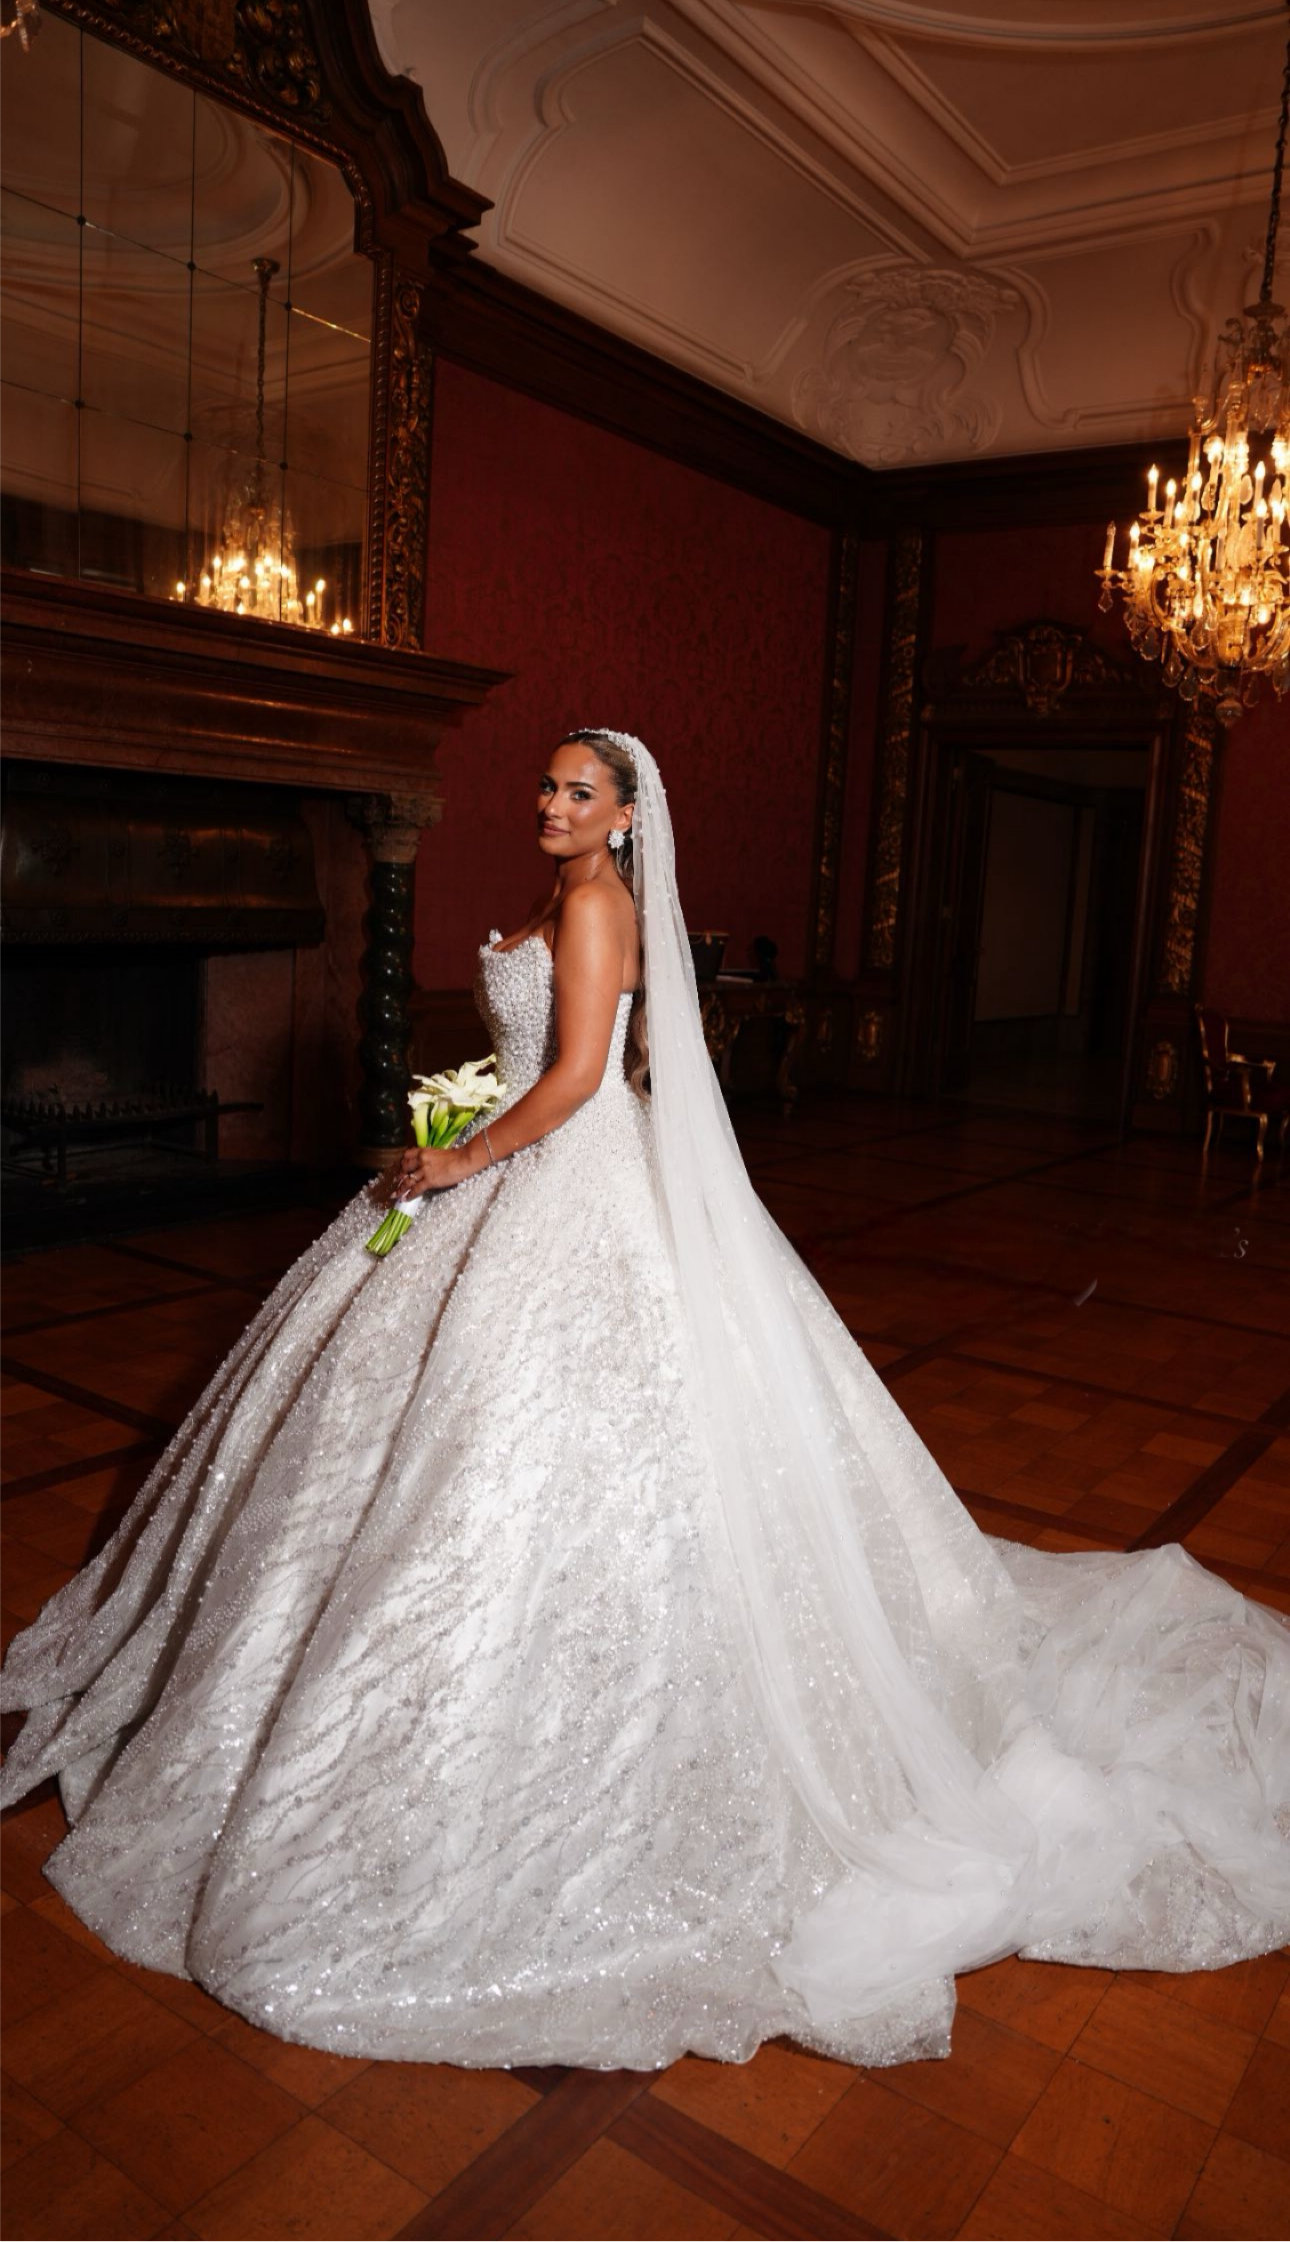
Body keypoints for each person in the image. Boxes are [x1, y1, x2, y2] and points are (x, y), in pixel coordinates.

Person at [1, 728, 1288, 2075]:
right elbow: (593, 1064)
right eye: (545, 784)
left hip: (552, 1175)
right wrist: (473, 1132)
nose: (549, 804)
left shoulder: (601, 899)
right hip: (528, 1156)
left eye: (577, 791)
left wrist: (457, 1162)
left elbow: (569, 1082)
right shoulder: (568, 897)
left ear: (623, 816)